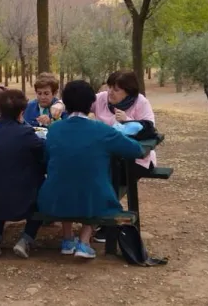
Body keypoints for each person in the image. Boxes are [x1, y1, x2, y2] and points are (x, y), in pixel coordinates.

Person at [37, 80, 146, 259]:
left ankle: (67, 238)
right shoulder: (102, 130)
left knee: (68, 176)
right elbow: (136, 150)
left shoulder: (54, 129)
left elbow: (47, 159)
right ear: (90, 104)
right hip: (94, 200)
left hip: (54, 198)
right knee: (93, 185)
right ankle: (84, 241)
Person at [0, 89, 46, 258]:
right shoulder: (26, 134)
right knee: (41, 189)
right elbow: (43, 157)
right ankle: (26, 239)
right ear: (22, 112)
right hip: (21, 203)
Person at [89, 71, 157, 242]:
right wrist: (59, 105)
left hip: (135, 160)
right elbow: (78, 104)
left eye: (117, 89)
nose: (110, 92)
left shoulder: (140, 102)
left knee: (108, 177)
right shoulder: (101, 98)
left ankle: (108, 224)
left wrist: (128, 121)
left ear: (129, 92)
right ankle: (96, 218)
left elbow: (149, 129)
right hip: (105, 158)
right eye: (110, 86)